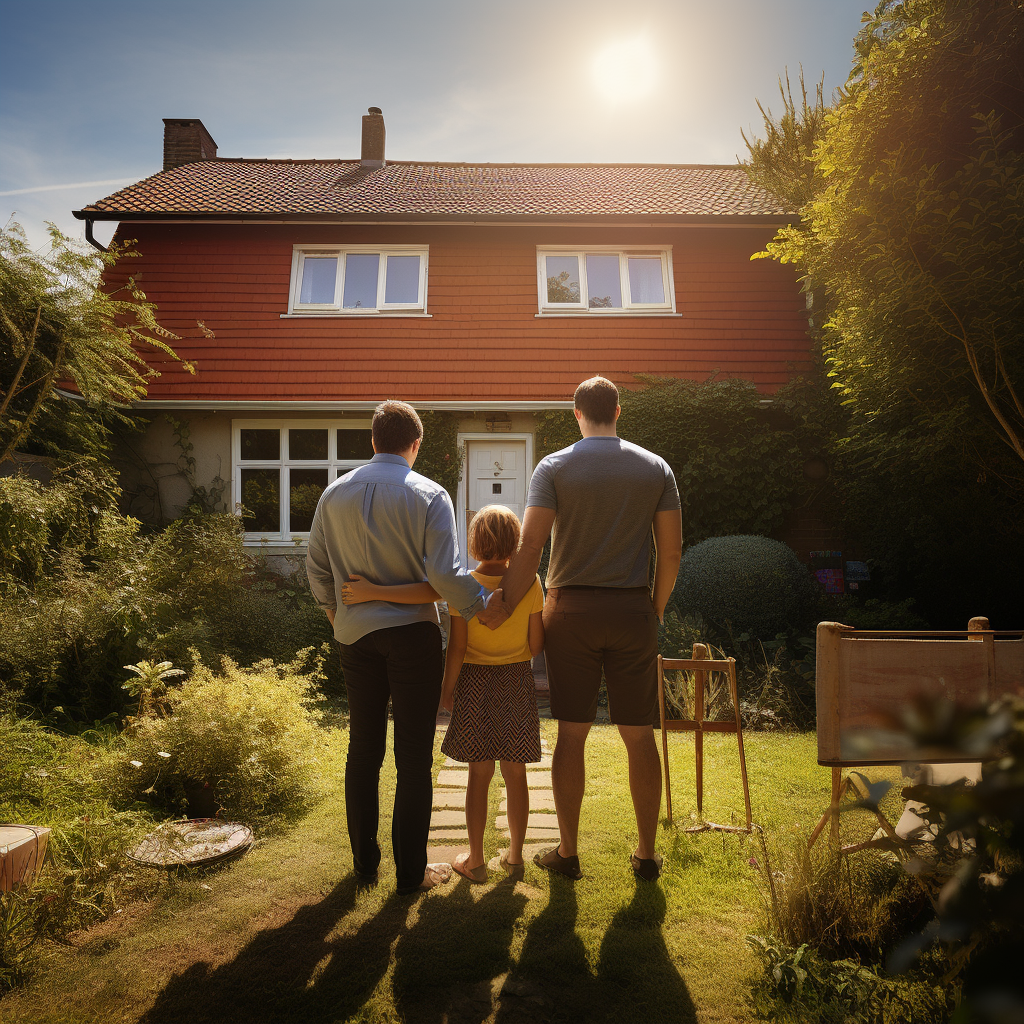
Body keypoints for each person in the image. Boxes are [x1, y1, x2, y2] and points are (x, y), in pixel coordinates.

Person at [485, 376, 683, 882]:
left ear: (577, 413)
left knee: (571, 735)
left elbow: (529, 549)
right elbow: (672, 551)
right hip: (633, 612)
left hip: (569, 613)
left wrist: (503, 602)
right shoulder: (655, 467)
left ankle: (568, 853)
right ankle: (645, 855)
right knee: (640, 736)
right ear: (617, 410)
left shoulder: (554, 466)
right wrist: (654, 608)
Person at [305, 400, 506, 895]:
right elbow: (443, 574)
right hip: (414, 638)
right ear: (414, 445)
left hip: (356, 636)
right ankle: (411, 874)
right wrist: (482, 605)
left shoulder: (333, 494)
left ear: (373, 441)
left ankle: (363, 865)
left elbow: (316, 569)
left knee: (363, 749)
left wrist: (339, 615)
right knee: (413, 758)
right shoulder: (430, 495)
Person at [343, 505, 545, 882]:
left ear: (473, 544)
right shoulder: (531, 584)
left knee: (478, 773)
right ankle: (515, 856)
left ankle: (477, 860)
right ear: (515, 543)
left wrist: (446, 689)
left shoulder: (462, 586)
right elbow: (536, 645)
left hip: (474, 683)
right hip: (516, 681)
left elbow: (457, 646)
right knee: (516, 773)